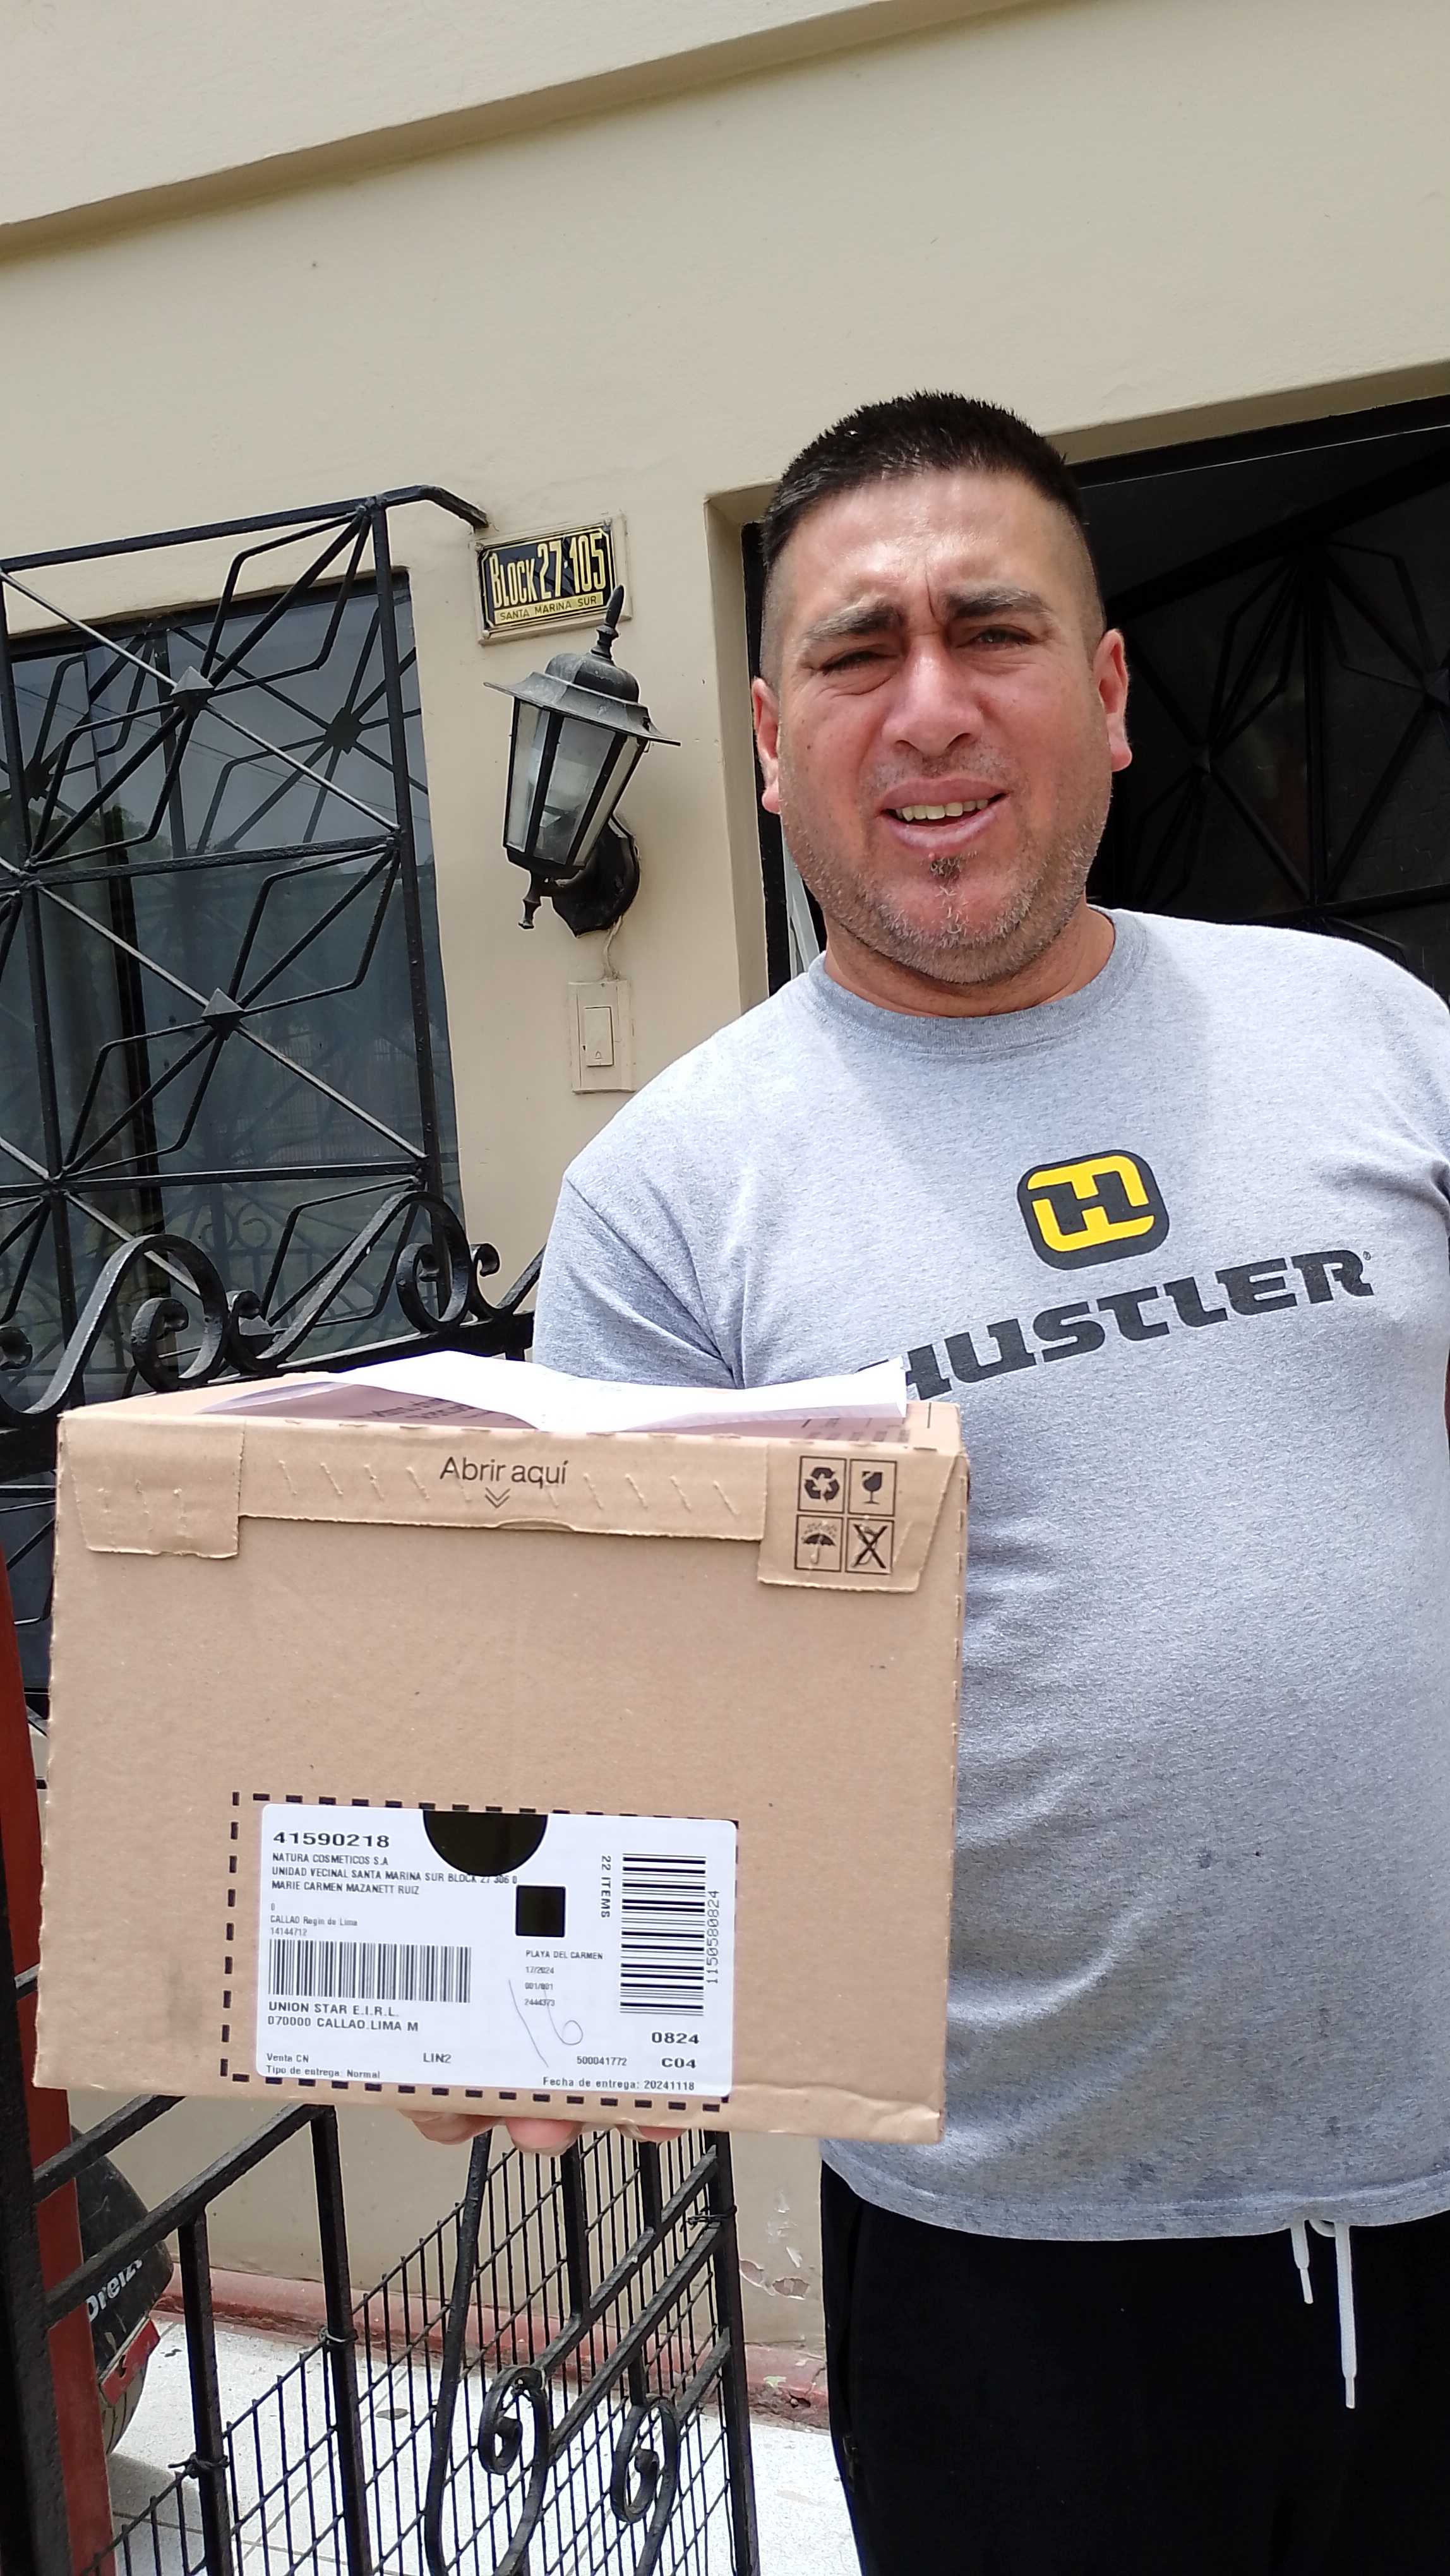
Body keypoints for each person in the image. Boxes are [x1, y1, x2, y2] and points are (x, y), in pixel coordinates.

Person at [412, 393, 1450, 2573]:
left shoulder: (1372, 1032)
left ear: (1111, 694)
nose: (932, 704)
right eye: (858, 651)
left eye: (992, 630)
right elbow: (584, 1693)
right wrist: (489, 1975)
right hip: (1010, 2272)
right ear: (769, 743)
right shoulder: (673, 1195)